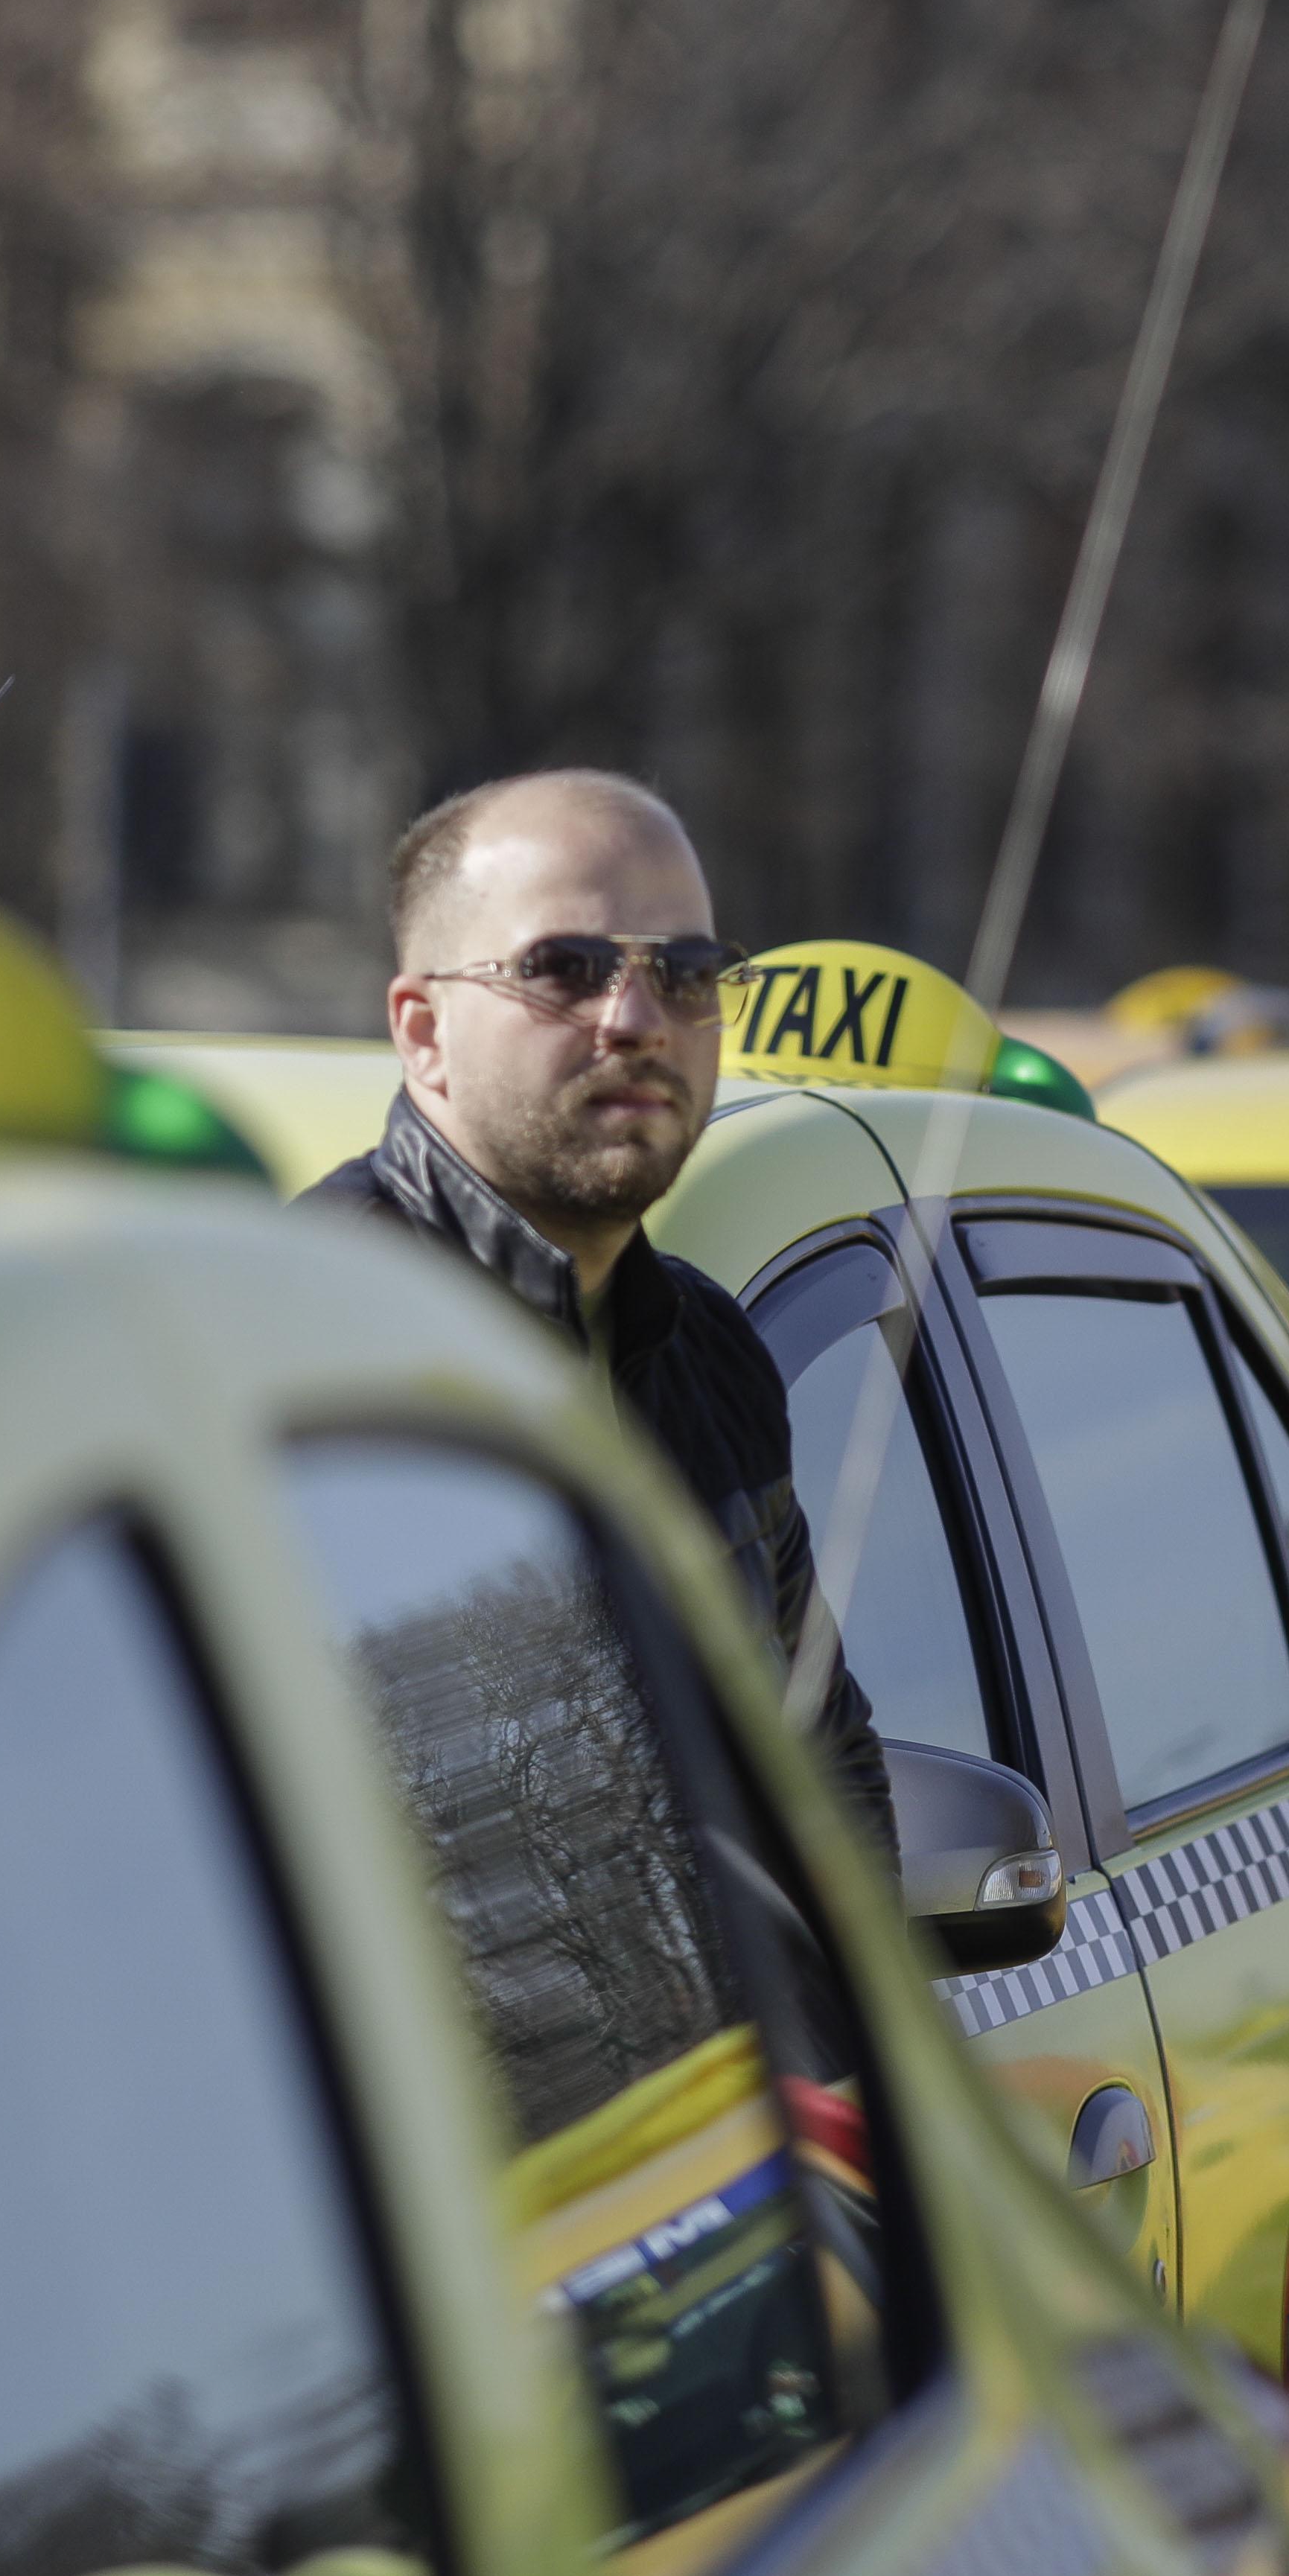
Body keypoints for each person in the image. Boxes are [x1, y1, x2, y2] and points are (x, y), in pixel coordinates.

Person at [310, 768, 892, 1852]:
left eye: (686, 972)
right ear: (423, 1029)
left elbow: (823, 1773)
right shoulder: (296, 1353)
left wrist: (855, 2021)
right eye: (565, 969)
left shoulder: (711, 1351)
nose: (635, 1020)